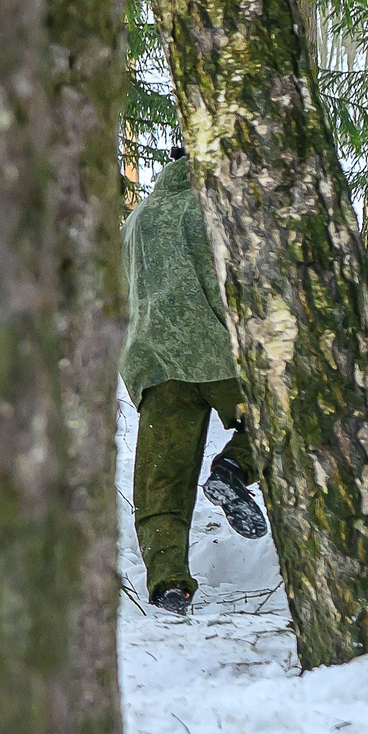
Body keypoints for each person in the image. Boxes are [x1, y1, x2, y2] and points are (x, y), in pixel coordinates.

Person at [123, 145, 270, 617]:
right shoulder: (217, 207)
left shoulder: (137, 220)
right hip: (222, 355)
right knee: (281, 423)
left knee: (160, 482)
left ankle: (169, 584)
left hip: (156, 365)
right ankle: (233, 469)